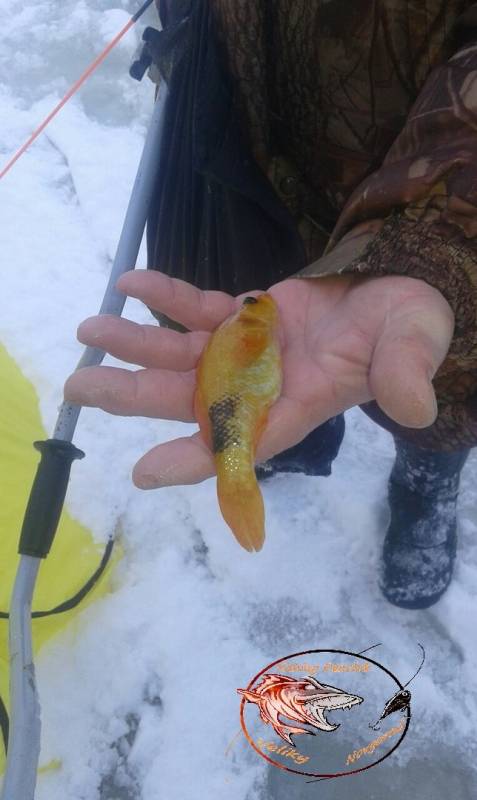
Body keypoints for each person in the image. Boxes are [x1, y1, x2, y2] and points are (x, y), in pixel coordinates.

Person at [64, 1, 477, 610]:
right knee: (301, 320)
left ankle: (427, 478)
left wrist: (438, 231)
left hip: (415, 156)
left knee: (420, 367)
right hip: (254, 134)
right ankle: (294, 439)